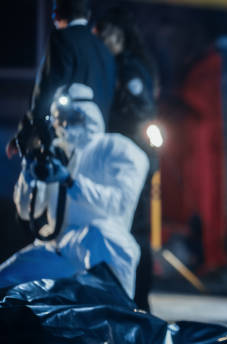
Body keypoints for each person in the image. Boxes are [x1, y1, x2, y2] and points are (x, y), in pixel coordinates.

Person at [0, 83, 149, 298]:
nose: (63, 125)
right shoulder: (56, 154)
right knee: (5, 280)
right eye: (58, 118)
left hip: (94, 246)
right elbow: (26, 211)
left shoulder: (117, 149)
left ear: (88, 115)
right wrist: (30, 168)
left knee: (109, 239)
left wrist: (70, 181)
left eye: (70, 117)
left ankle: (119, 315)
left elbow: (119, 202)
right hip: (57, 247)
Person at [94, 7, 159, 311]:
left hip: (132, 162)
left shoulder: (130, 68)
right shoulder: (116, 65)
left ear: (116, 34)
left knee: (136, 233)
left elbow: (141, 112)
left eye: (103, 34)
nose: (99, 40)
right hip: (123, 160)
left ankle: (140, 303)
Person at [6, 0, 115, 158]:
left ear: (56, 15)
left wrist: (24, 137)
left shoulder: (61, 39)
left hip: (65, 142)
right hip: (97, 146)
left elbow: (47, 90)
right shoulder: (105, 50)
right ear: (88, 15)